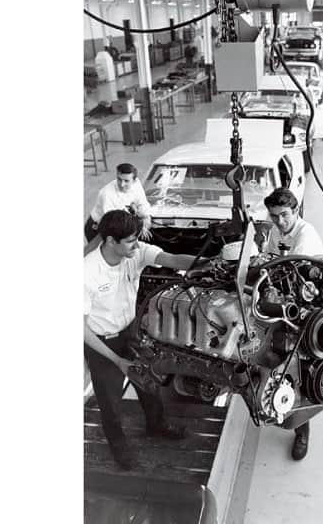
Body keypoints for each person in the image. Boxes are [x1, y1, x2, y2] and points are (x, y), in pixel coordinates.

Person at [84, 209, 199, 470]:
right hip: (102, 341)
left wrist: (209, 262)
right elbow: (81, 329)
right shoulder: (87, 272)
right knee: (110, 401)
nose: (137, 245)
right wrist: (116, 360)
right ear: (111, 241)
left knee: (149, 382)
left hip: (131, 330)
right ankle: (119, 448)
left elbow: (172, 259)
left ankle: (156, 425)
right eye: (130, 241)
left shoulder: (135, 252)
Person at [261, 187, 323, 461]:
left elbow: (293, 272)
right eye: (274, 216)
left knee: (298, 367)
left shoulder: (305, 235)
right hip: (283, 301)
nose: (279, 221)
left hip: (305, 306)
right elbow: (269, 260)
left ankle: (302, 430)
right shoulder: (277, 231)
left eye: (284, 215)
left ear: (295, 211)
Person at [85, 163, 152, 243]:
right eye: (119, 179)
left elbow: (143, 206)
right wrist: (138, 227)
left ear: (134, 180)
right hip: (97, 229)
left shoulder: (137, 184)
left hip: (121, 220)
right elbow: (114, 225)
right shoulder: (106, 194)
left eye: (126, 181)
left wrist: (145, 222)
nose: (122, 184)